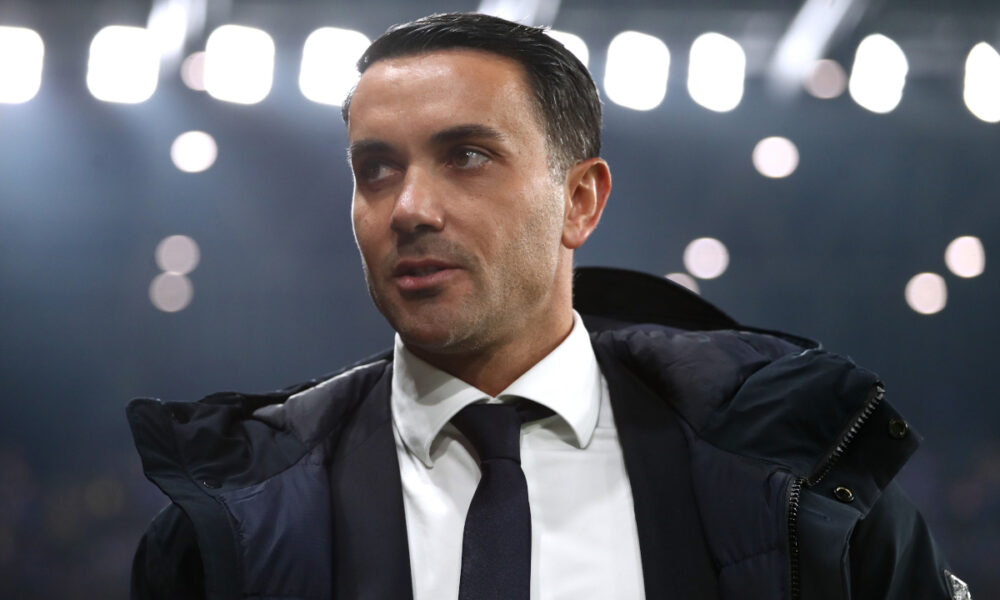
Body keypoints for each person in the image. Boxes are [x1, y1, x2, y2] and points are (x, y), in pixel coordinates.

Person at [128, 12, 969, 600]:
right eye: (376, 167)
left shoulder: (810, 479)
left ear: (580, 201)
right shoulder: (225, 524)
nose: (409, 207)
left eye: (465, 156)